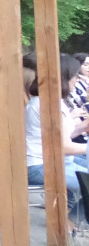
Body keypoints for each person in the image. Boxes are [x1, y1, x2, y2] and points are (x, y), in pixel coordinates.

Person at [26, 54, 89, 232]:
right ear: (65, 77)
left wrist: (82, 128)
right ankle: (71, 224)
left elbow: (60, 138)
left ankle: (71, 222)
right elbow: (62, 147)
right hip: (39, 166)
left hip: (49, 161)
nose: (78, 80)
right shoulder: (48, 105)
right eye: (76, 76)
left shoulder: (50, 101)